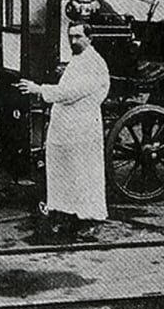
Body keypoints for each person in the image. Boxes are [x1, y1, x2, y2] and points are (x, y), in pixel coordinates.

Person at [17, 22, 111, 240]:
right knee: (64, 173)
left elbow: (70, 92)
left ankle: (89, 220)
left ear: (90, 38)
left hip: (82, 129)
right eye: (71, 36)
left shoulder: (93, 62)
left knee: (83, 174)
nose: (73, 41)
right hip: (67, 129)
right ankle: (66, 215)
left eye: (78, 36)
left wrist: (38, 89)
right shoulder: (79, 59)